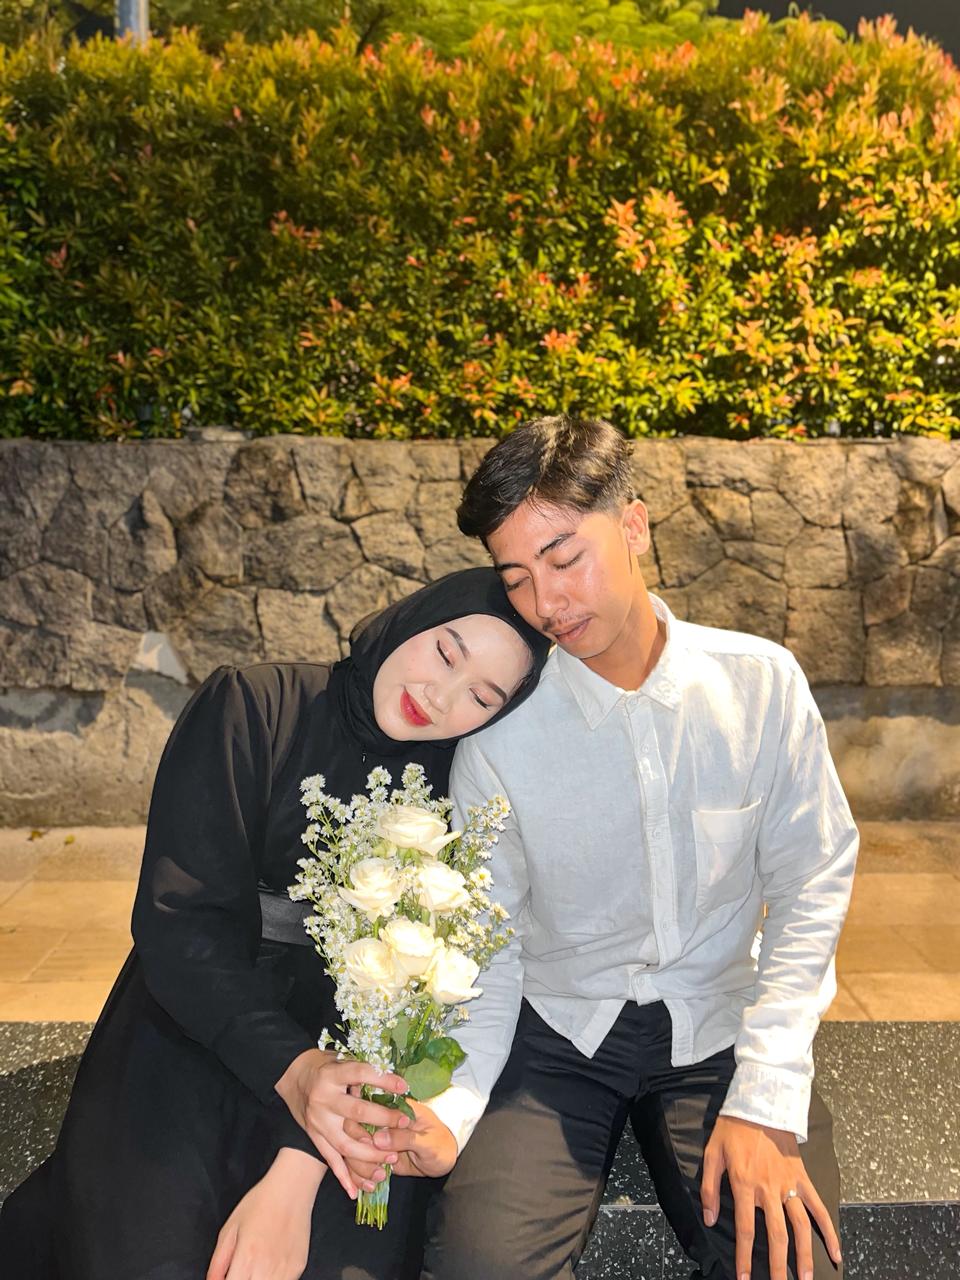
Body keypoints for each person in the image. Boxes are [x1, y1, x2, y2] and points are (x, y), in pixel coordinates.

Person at [350, 415, 858, 1280]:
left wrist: (767, 1099)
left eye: (563, 558)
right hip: (556, 1034)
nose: (546, 603)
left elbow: (812, 882)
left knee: (787, 1261)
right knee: (479, 1268)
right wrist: (458, 1104)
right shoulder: (497, 736)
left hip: (718, 1022)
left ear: (633, 526)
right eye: (517, 578)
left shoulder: (759, 685)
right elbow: (489, 944)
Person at [0, 567, 550, 1280]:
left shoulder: (460, 780)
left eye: (481, 696)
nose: (441, 696)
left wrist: (301, 1159)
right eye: (446, 652)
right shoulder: (254, 704)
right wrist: (295, 1071)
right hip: (194, 1012)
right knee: (147, 1249)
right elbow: (180, 920)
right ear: (412, 620)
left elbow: (412, 994)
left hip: (351, 1041)